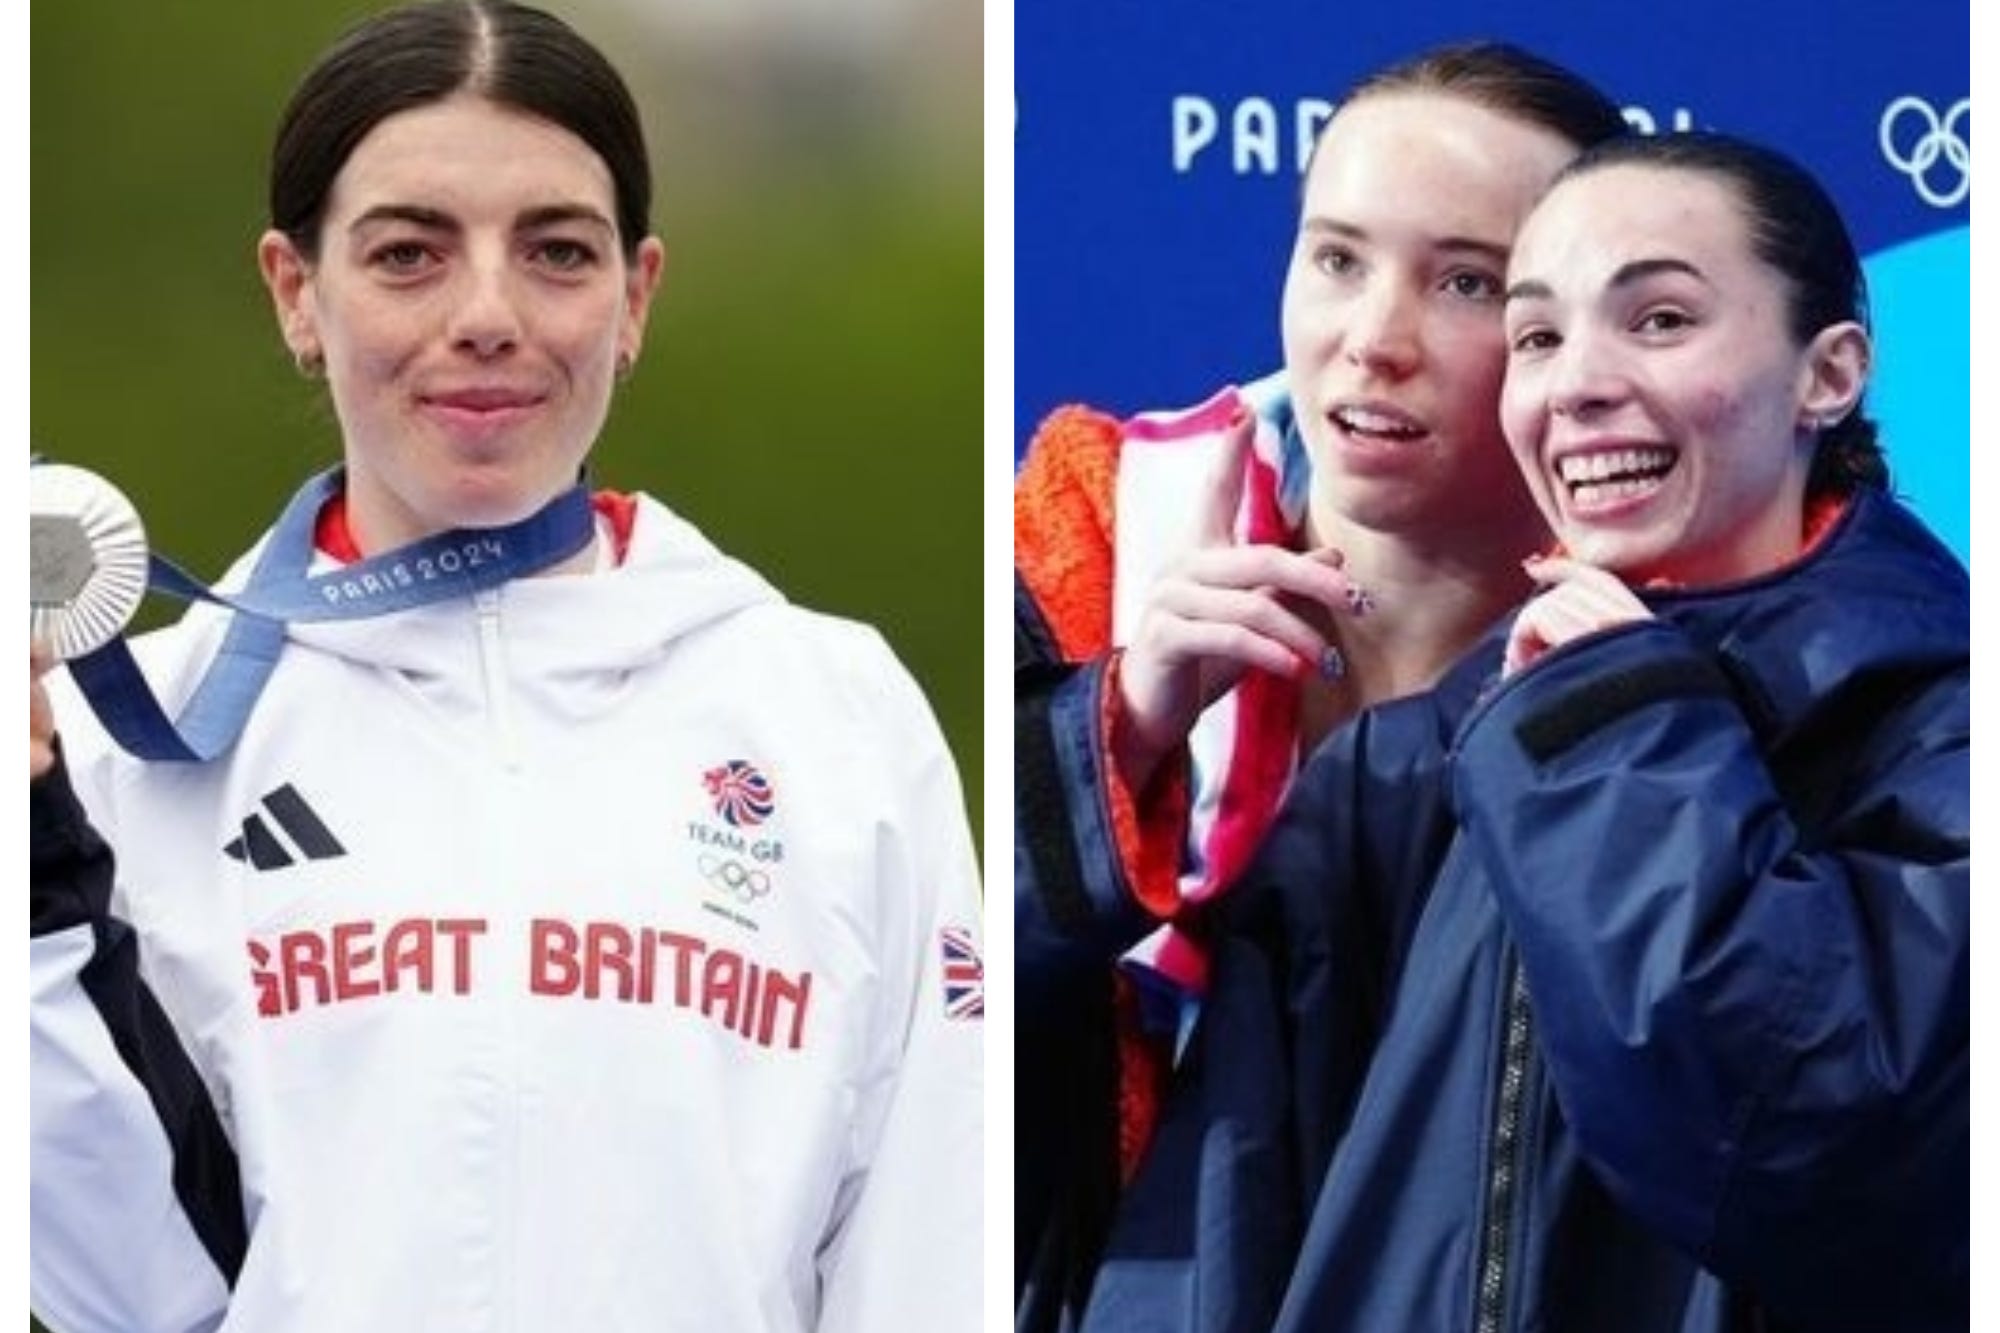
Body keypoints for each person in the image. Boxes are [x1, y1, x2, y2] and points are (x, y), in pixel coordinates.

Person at [29, 3, 983, 1330]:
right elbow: (103, 1289)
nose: (489, 314)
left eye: (556, 253)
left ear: (637, 295)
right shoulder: (114, 744)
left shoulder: (831, 711)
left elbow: (931, 1246)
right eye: (409, 254)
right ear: (296, 292)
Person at [1078, 131, 1968, 1332]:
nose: (1576, 384)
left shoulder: (1940, 730)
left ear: (1829, 372)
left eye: (1656, 320)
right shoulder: (1395, 771)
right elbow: (1201, 1251)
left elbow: (1810, 1148)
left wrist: (1617, 724)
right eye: (1538, 336)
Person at [1013, 41, 1631, 1330]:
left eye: (1464, 282)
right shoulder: (1102, 534)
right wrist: (1114, 733)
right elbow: (898, 965)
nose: (1371, 341)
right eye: (1336, 259)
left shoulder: (1679, 637)